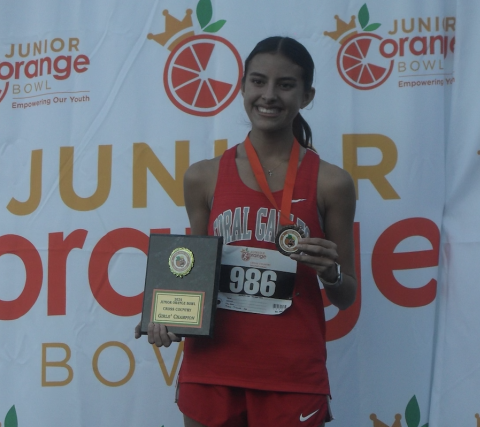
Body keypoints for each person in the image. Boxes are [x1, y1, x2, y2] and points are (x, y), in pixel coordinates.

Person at [136, 36, 357, 427]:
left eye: (285, 85)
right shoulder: (202, 177)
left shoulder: (331, 183)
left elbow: (346, 296)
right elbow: (191, 279)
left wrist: (330, 272)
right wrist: (167, 318)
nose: (268, 95)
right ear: (241, 88)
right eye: (257, 81)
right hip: (212, 370)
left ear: (307, 96)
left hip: (292, 376)